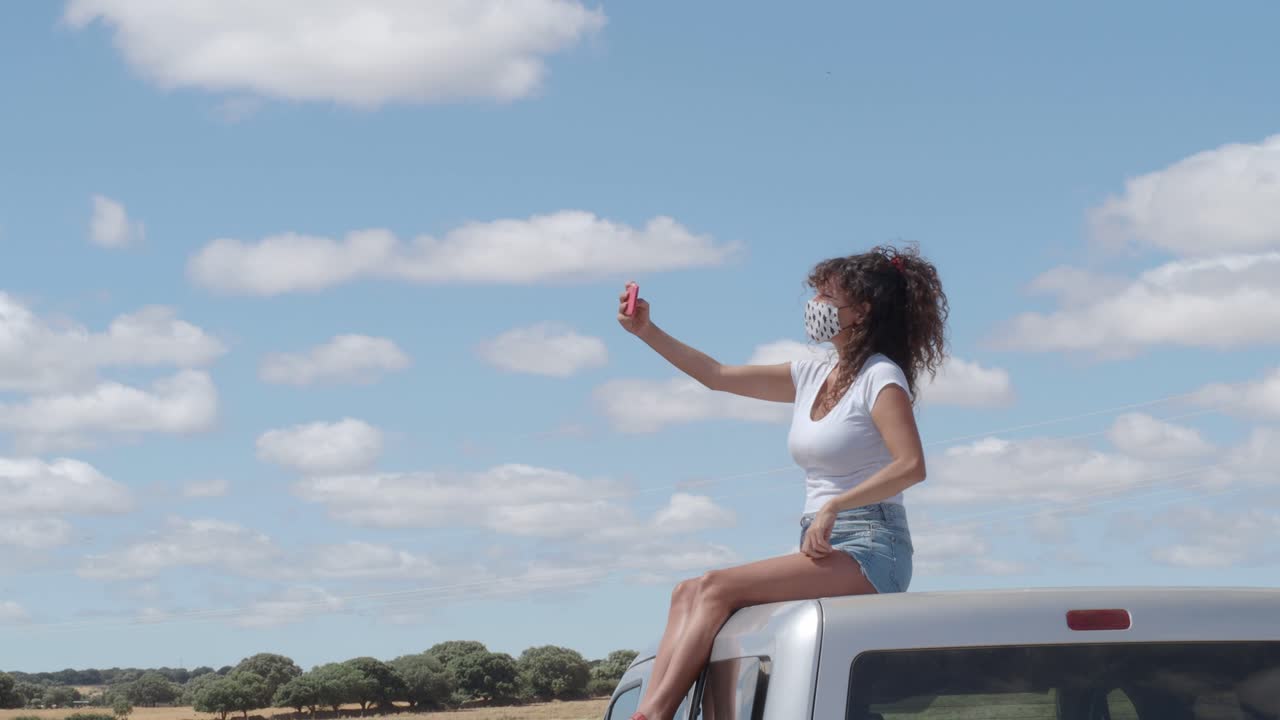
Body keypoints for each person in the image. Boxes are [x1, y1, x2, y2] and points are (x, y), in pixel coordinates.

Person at [615, 245, 949, 720]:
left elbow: (911, 466)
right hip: (821, 542)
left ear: (862, 310)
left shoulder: (880, 376)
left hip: (872, 547)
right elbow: (717, 376)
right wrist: (647, 331)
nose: (814, 303)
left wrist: (836, 506)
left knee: (712, 587)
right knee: (686, 592)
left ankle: (652, 715)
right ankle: (664, 712)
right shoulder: (812, 373)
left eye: (826, 294)